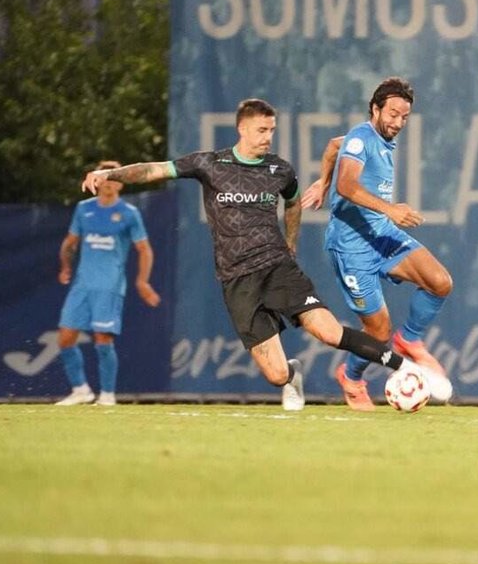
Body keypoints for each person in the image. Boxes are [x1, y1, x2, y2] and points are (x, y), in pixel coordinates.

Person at [81, 98, 436, 412]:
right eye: (262, 129)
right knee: (276, 373)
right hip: (237, 279)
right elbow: (156, 169)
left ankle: (403, 366)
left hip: (278, 268)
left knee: (327, 331)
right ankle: (292, 376)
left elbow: (294, 200)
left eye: (272, 130)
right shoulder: (210, 164)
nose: (268, 136)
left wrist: (292, 241)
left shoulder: (279, 170)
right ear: (242, 128)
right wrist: (110, 173)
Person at [301, 77, 453, 410]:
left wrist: (322, 183)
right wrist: (389, 209)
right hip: (352, 248)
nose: (398, 123)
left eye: (404, 117)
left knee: (440, 282)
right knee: (378, 332)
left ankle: (409, 339)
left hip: (381, 235)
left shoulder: (371, 139)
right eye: (393, 114)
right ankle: (352, 378)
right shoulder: (361, 138)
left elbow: (330, 146)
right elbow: (348, 186)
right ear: (375, 108)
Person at [56, 160, 161, 406]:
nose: (110, 183)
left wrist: (142, 282)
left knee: (103, 340)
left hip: (110, 286)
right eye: (106, 177)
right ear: (96, 179)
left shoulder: (129, 214)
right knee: (64, 339)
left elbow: (144, 250)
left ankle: (107, 395)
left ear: (121, 185)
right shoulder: (84, 209)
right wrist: (65, 266)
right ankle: (81, 389)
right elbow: (70, 243)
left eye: (116, 178)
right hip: (82, 285)